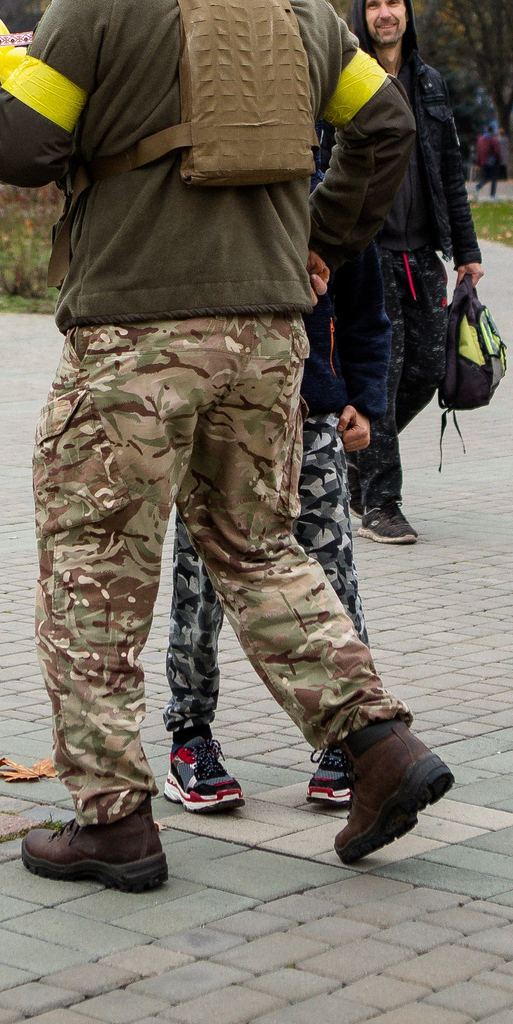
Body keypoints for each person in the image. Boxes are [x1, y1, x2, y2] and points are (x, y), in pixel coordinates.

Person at [0, 0, 443, 891]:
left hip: (136, 343)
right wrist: (321, 245)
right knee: (259, 550)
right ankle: (380, 748)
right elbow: (384, 132)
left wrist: (18, 72)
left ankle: (113, 821)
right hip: (270, 338)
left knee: (95, 569)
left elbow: (18, 150)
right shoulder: (297, 2)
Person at [163, 177, 393, 813]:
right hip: (212, 426)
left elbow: (370, 319)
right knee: (200, 582)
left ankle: (347, 736)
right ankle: (190, 735)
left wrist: (363, 401)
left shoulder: (326, 208)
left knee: (331, 580)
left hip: (311, 420)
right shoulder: (201, 200)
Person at [342, 0, 484, 546]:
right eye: (374, 5)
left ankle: (355, 456)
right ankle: (382, 502)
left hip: (424, 253)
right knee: (385, 374)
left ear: (407, 12)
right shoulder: (349, 79)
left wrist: (468, 251)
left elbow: (450, 172)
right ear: (362, 15)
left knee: (428, 372)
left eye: (393, 3)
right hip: (369, 253)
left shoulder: (429, 84)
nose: (385, 14)